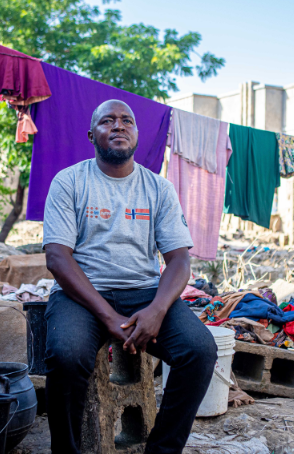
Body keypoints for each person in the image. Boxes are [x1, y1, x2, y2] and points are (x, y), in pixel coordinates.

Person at [43, 99, 217, 454]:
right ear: (92, 135)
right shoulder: (70, 181)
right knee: (66, 355)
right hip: (82, 296)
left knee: (199, 351)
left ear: (137, 135)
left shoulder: (159, 189)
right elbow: (58, 258)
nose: (118, 126)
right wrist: (108, 317)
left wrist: (156, 311)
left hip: (144, 293)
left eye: (127, 121)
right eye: (108, 121)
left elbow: (180, 262)